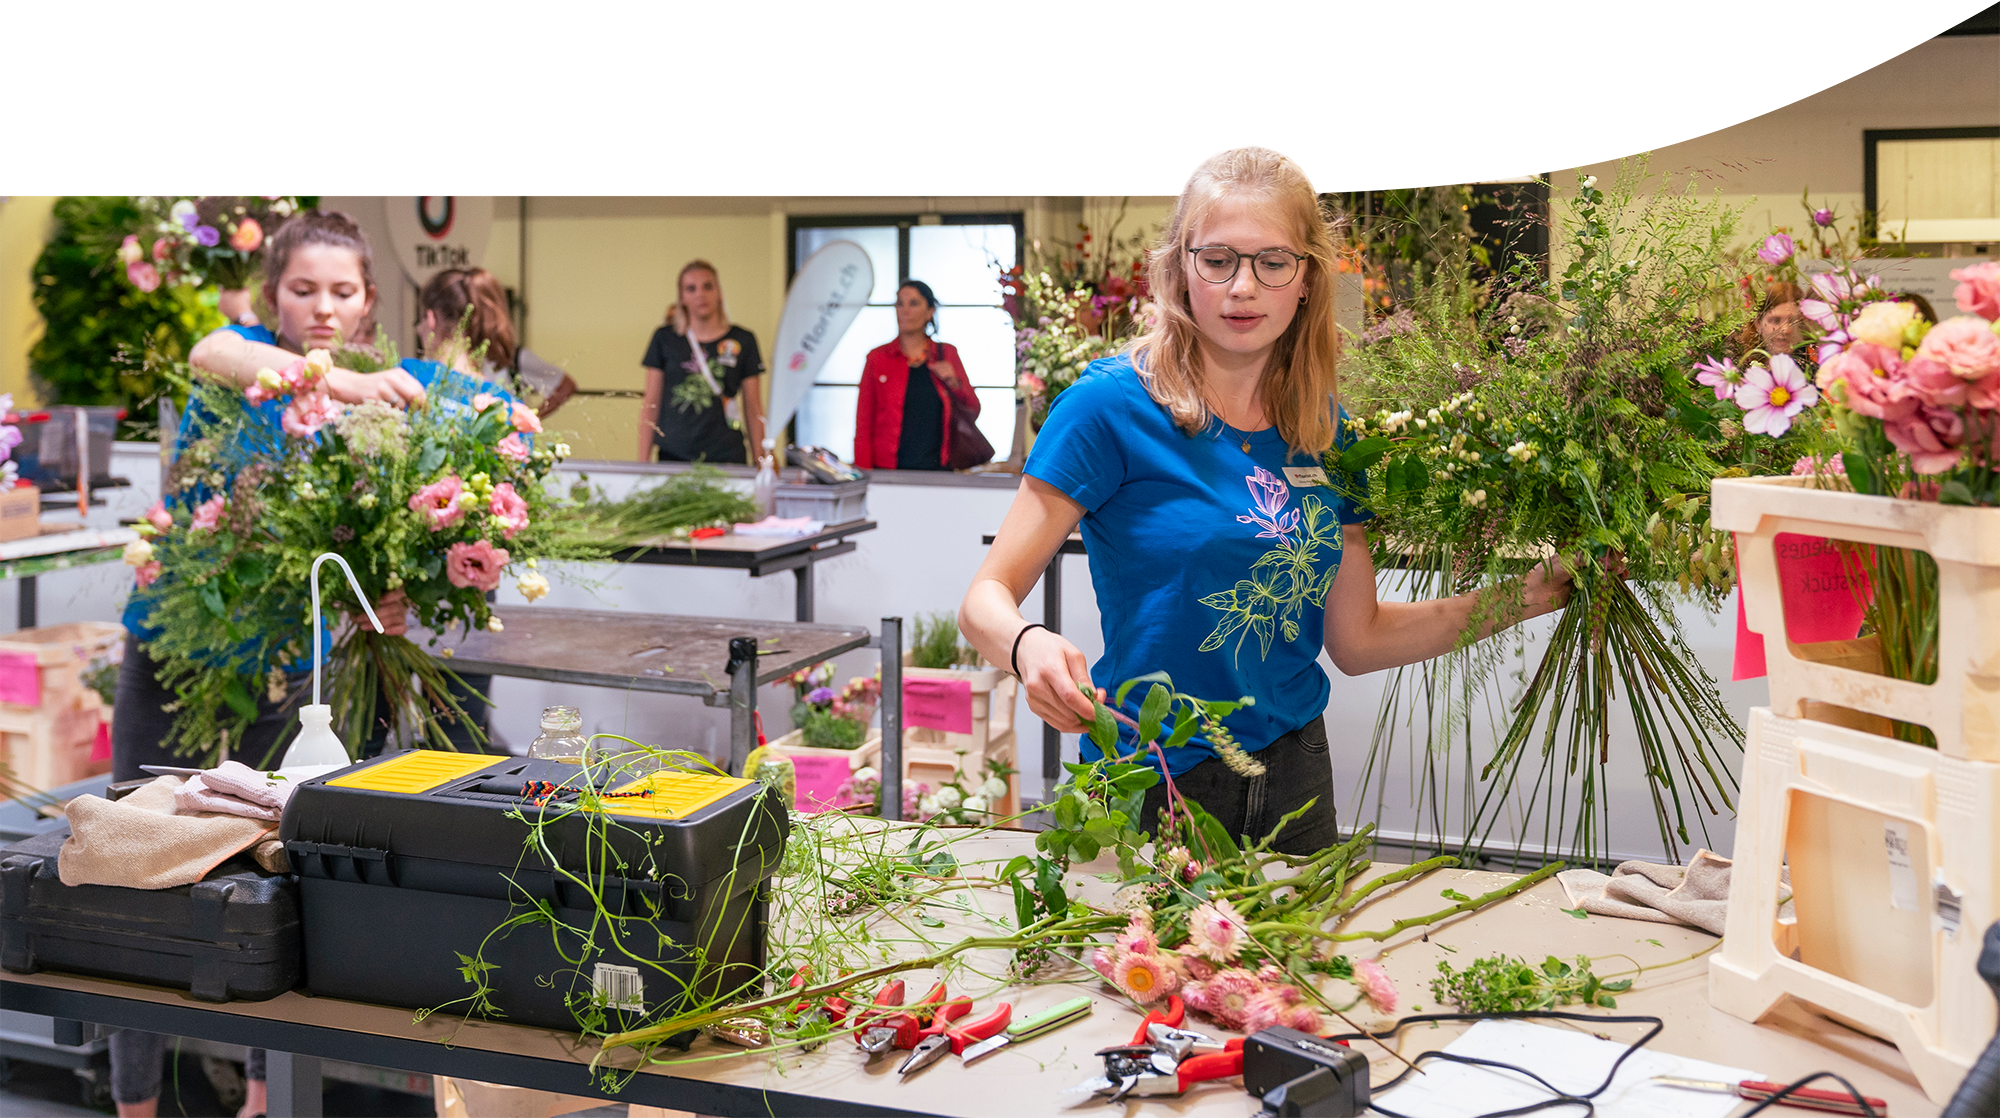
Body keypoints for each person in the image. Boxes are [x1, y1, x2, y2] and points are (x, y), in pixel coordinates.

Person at [958, 146, 1574, 855]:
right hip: (1158, 779)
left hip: (1295, 781)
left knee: (1303, 967)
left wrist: (1528, 597)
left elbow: (1359, 639)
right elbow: (984, 599)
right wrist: (1026, 644)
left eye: (1272, 262)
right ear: (1180, 269)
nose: (1242, 287)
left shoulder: (1326, 431)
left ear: (1307, 279)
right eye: (1217, 259)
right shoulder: (1108, 409)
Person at [113, 211, 512, 1118]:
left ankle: (264, 1097)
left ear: (370, 299)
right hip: (174, 650)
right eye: (303, 291)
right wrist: (354, 382)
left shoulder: (397, 394)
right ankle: (133, 1102)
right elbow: (218, 350)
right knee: (135, 862)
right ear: (273, 295)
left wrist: (391, 592)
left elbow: (473, 439)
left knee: (267, 873)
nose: (322, 309)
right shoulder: (245, 355)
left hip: (295, 671)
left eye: (342, 292)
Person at [637, 260, 765, 463]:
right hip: (675, 455)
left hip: (726, 455)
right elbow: (650, 404)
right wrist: (642, 464)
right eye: (691, 289)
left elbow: (753, 408)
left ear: (719, 292)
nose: (700, 294)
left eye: (708, 286)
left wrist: (762, 461)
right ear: (682, 297)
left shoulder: (743, 339)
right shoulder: (665, 339)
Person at [852, 280, 981, 471]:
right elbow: (863, 423)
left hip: (938, 469)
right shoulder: (877, 358)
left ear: (930, 312)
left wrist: (954, 382)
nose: (904, 310)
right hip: (887, 470)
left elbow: (973, 409)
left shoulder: (946, 354)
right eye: (899, 303)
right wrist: (863, 473)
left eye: (913, 303)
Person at [417, 266, 578, 418]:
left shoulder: (412, 380)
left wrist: (530, 418)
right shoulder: (503, 403)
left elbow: (565, 385)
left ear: (431, 319)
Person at [1734, 280, 1805, 361]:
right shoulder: (1741, 365)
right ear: (1757, 323)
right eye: (1776, 320)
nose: (1786, 329)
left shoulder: (1814, 367)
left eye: (1793, 320)